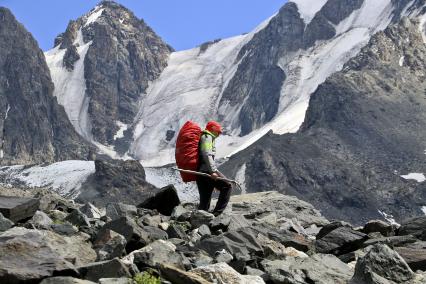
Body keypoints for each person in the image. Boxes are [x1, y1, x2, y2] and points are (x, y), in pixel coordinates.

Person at [196, 121, 232, 216]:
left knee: (205, 200)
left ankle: (199, 222)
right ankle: (217, 214)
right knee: (227, 186)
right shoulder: (207, 138)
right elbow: (206, 154)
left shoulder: (205, 137)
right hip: (206, 171)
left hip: (200, 173)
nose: (219, 133)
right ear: (212, 129)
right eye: (218, 131)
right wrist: (212, 172)